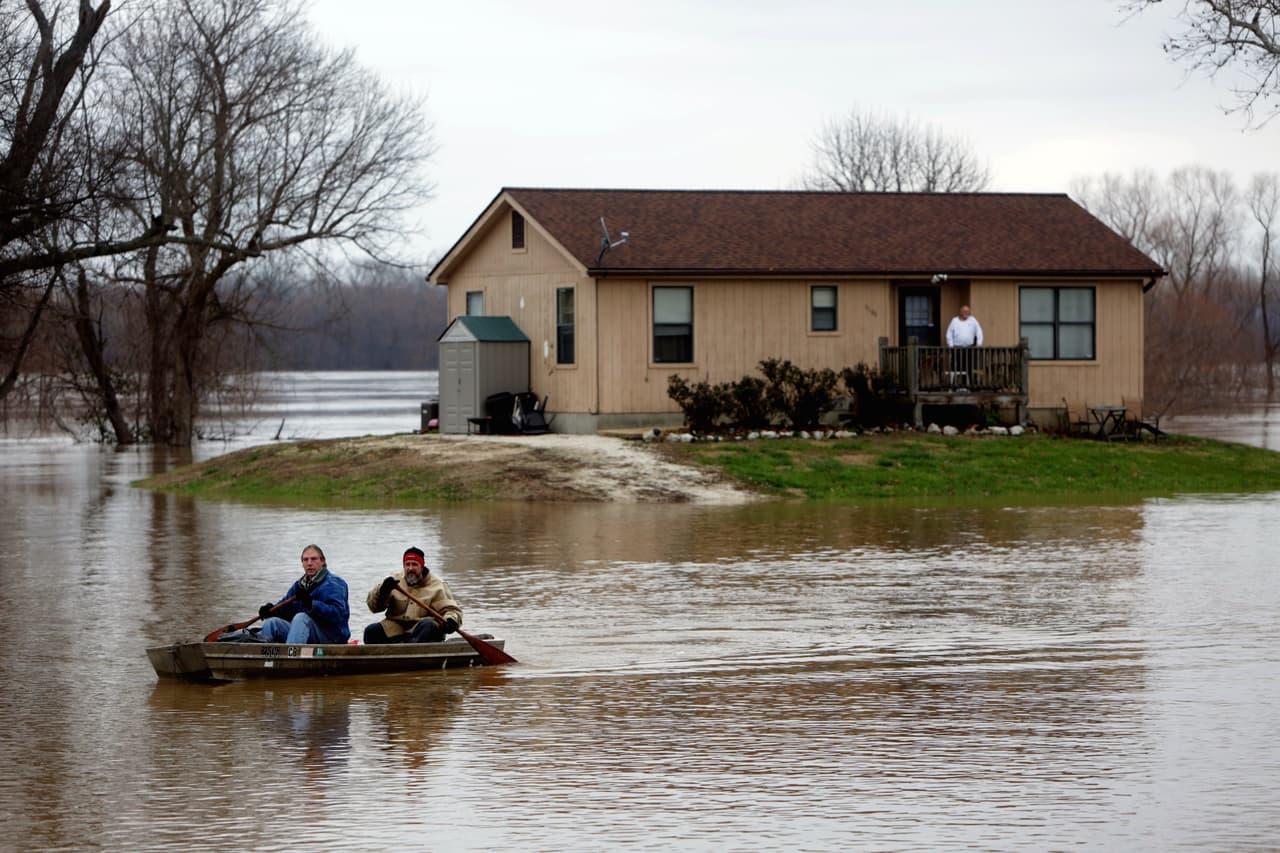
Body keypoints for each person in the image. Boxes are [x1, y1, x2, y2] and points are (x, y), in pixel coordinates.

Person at [363, 547, 463, 644]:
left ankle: (410, 654)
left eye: (414, 564)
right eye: (407, 564)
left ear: (422, 566)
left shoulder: (438, 585)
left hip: (422, 629)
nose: (410, 568)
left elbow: (452, 610)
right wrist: (382, 592)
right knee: (371, 631)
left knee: (427, 625)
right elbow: (374, 607)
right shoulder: (393, 581)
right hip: (395, 628)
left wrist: (451, 620)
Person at [258, 544, 351, 644]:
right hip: (304, 633)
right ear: (302, 563)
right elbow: (286, 608)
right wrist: (272, 611)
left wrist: (312, 604)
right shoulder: (299, 585)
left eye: (314, 559)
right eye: (305, 560)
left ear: (323, 562)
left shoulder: (334, 583)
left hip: (332, 638)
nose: (309, 563)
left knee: (301, 618)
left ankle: (292, 658)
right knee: (272, 623)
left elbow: (337, 615)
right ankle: (264, 658)